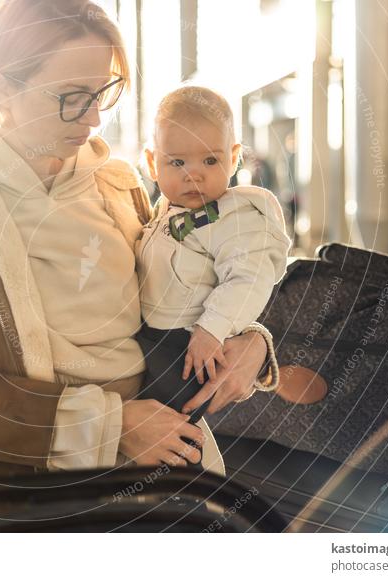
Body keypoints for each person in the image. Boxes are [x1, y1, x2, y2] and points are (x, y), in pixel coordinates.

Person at [0, 0, 278, 532]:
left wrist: (250, 341)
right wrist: (109, 428)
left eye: (103, 94)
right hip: (6, 501)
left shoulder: (117, 181)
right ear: (1, 92)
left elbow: (190, 283)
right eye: (71, 98)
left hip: (160, 476)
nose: (92, 118)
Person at [134, 86, 291, 472]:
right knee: (161, 427)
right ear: (153, 164)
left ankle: (195, 494)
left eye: (209, 160)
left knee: (174, 428)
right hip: (152, 338)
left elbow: (249, 280)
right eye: (176, 163)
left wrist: (213, 329)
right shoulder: (162, 212)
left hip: (188, 343)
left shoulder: (234, 217)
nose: (194, 176)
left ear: (234, 158)